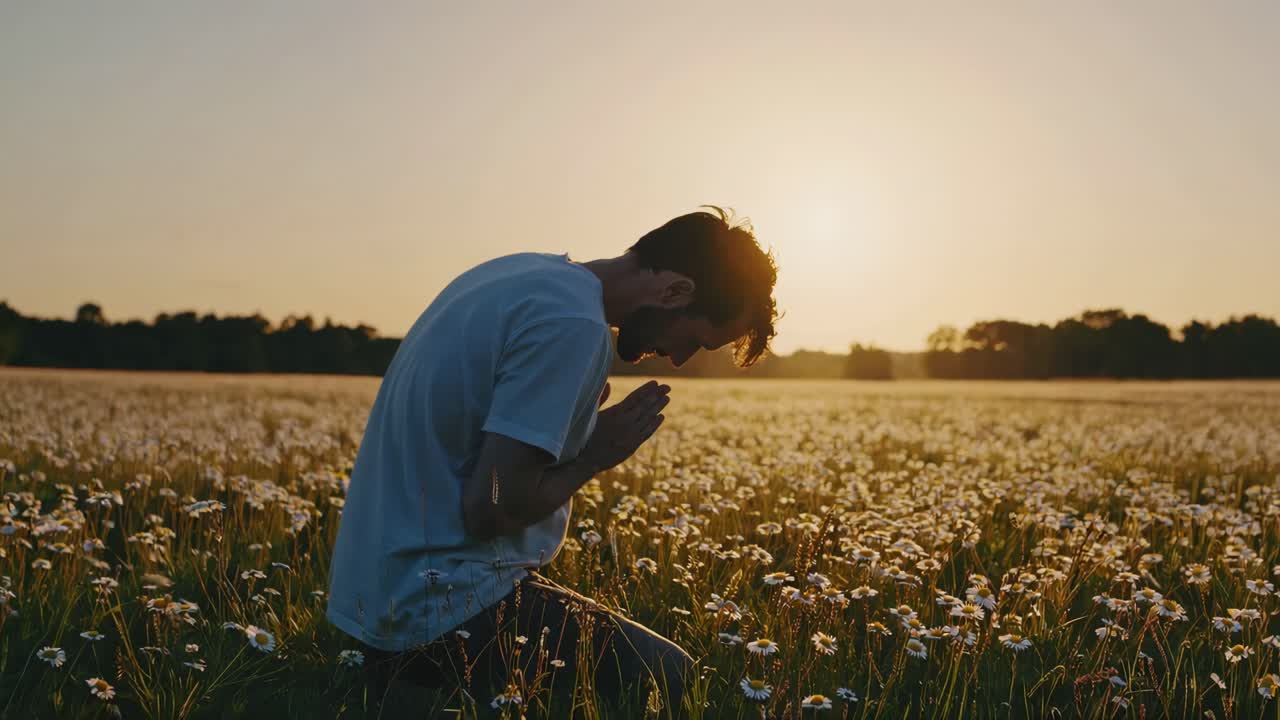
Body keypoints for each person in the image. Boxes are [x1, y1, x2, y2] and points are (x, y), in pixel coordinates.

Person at [326, 205, 779, 717]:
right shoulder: (573, 326)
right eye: (695, 340)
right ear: (674, 292)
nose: (679, 359)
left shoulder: (523, 274)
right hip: (432, 607)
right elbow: (490, 509)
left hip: (371, 599)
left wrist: (567, 431)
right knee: (669, 674)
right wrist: (593, 456)